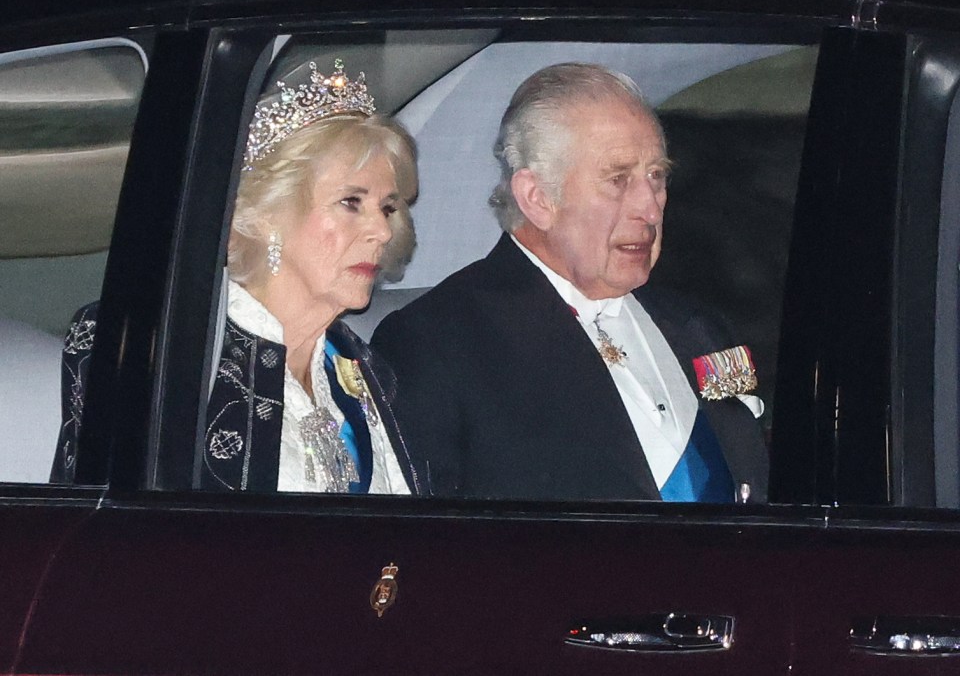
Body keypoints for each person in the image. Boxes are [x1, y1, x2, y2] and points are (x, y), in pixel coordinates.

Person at [372, 62, 768, 502]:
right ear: (538, 198)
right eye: (617, 180)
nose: (650, 208)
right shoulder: (440, 343)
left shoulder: (698, 327)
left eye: (656, 176)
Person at [53, 59, 420, 495]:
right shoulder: (157, 349)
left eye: (388, 208)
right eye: (351, 202)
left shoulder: (364, 367)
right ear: (267, 214)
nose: (381, 231)